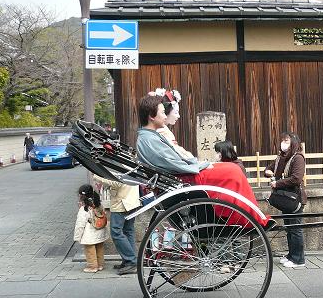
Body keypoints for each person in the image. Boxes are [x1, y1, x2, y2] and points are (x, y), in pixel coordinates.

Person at [136, 94, 269, 228]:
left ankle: (247, 215)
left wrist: (198, 164)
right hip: (185, 177)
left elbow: (173, 160)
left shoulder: (148, 137)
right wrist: (200, 165)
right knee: (233, 171)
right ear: (152, 116)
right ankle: (246, 218)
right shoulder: (149, 140)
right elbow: (173, 163)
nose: (165, 116)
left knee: (232, 169)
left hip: (182, 174)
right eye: (163, 112)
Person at [264, 132, 307, 268]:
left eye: (287, 141)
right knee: (289, 228)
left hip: (295, 198)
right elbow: (269, 169)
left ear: (294, 143)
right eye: (283, 140)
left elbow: (296, 178)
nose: (283, 143)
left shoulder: (298, 158)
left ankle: (299, 259)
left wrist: (277, 183)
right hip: (285, 198)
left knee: (296, 229)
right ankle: (291, 255)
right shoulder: (281, 158)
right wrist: (268, 172)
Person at [92, 174, 141, 276]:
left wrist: (97, 177)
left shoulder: (118, 163)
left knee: (116, 232)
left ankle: (131, 261)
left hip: (122, 203)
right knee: (128, 231)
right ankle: (129, 261)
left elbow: (117, 183)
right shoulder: (129, 162)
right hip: (131, 201)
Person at [74, 184, 110, 273]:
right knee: (99, 249)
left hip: (89, 235)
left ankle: (92, 266)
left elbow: (80, 224)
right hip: (100, 231)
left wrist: (77, 237)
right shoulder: (98, 205)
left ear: (81, 196)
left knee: (90, 251)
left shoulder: (84, 209)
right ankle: (100, 264)